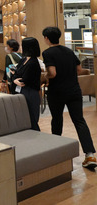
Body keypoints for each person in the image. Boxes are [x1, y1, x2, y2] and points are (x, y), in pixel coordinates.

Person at [42, 27, 96, 169]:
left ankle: (57, 152)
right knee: (79, 121)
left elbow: (52, 73)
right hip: (74, 91)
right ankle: (90, 155)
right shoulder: (68, 51)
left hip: (57, 92)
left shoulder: (47, 53)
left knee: (57, 119)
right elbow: (79, 70)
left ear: (47, 38)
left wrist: (45, 76)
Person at [12, 37, 41, 131]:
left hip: (30, 93)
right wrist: (15, 80)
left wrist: (16, 79)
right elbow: (15, 74)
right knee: (23, 117)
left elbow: (25, 79)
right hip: (21, 91)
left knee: (31, 118)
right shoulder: (23, 59)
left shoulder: (33, 62)